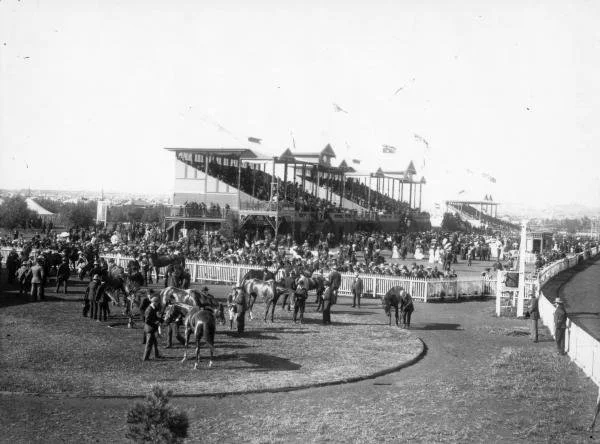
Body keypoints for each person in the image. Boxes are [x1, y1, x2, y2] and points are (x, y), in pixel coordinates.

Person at [142, 296, 163, 361]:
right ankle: (145, 358)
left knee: (155, 343)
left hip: (152, 328)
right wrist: (156, 322)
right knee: (149, 344)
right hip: (150, 329)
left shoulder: (153, 308)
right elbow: (147, 320)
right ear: (154, 302)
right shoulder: (149, 309)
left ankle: (157, 355)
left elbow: (155, 317)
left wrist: (161, 320)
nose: (158, 304)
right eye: (157, 302)